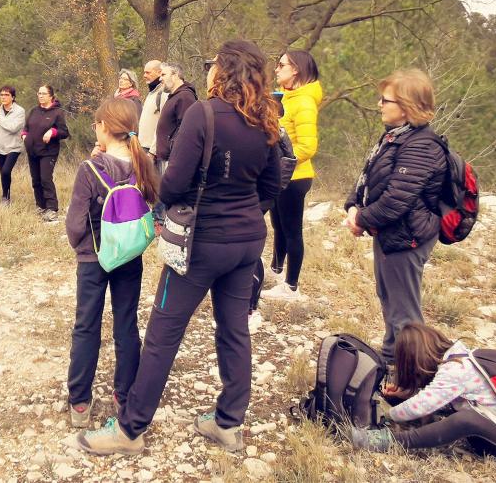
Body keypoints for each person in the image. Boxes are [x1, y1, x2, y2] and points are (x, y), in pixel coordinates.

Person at [78, 39, 282, 455]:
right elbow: (272, 184)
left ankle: (130, 429)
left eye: (211, 65)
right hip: (246, 244)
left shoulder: (203, 114)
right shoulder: (266, 119)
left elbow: (172, 184)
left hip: (200, 246)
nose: (206, 71)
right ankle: (228, 422)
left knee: (162, 334)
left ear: (222, 72)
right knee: (234, 329)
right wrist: (244, 213)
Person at [64, 97, 159, 428]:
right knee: (126, 324)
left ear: (103, 128)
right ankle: (125, 393)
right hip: (129, 257)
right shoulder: (142, 164)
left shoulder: (90, 170)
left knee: (86, 325)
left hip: (94, 258)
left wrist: (82, 247)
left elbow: (75, 222)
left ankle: (79, 402)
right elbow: (150, 207)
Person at [344, 69, 447, 364]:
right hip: (392, 233)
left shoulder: (422, 146)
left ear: (406, 107)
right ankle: (391, 358)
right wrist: (352, 206)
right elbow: (370, 177)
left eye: (385, 99)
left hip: (408, 236)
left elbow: (395, 201)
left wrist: (361, 219)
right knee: (388, 297)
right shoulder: (395, 137)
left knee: (405, 313)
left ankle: (414, 377)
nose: (379, 104)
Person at [350, 323, 496, 463]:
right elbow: (435, 396)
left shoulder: (456, 369)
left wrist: (387, 414)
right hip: (491, 433)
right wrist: (405, 395)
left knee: (465, 419)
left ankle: (387, 441)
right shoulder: (460, 357)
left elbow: (421, 406)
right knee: (461, 413)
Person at [262, 50, 322, 301]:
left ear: (296, 69)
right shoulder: (285, 97)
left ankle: (291, 286)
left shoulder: (305, 101)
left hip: (295, 177)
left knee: (292, 230)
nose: (276, 69)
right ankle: (277, 270)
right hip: (281, 175)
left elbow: (308, 146)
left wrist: (282, 161)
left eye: (281, 65)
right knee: (278, 226)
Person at [22, 84, 70, 222]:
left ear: (51, 96)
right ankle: (41, 206)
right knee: (35, 180)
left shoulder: (57, 112)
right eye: (39, 93)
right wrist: (24, 136)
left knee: (45, 179)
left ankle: (52, 209)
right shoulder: (34, 111)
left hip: (48, 152)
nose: (40, 96)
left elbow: (64, 132)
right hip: (32, 150)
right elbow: (26, 128)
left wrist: (52, 131)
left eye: (43, 93)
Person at [154, 62, 197, 168]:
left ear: (175, 75)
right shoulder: (174, 97)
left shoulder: (185, 97)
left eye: (163, 75)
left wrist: (172, 152)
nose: (160, 79)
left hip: (173, 161)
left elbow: (186, 130)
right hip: (166, 159)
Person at [0, 85, 26, 206]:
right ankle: (6, 196)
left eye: (6, 95)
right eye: (1, 95)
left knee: (6, 171)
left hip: (13, 147)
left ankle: (6, 197)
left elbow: (13, 128)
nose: (3, 97)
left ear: (13, 97)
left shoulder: (19, 111)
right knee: (3, 173)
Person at [137, 60, 167, 158]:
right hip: (143, 148)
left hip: (152, 151)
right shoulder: (151, 93)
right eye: (144, 72)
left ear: (159, 72)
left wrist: (153, 152)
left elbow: (162, 125)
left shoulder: (163, 94)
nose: (144, 75)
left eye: (148, 72)